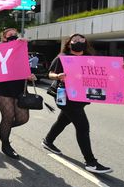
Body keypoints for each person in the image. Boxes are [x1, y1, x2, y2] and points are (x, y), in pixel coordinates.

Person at [42, 33, 117, 173]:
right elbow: (50, 74)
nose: (78, 42)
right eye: (75, 40)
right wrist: (58, 76)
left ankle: (48, 140)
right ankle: (91, 162)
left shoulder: (90, 59)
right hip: (66, 98)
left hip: (81, 98)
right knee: (83, 128)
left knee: (62, 121)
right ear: (69, 43)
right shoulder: (62, 58)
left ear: (86, 43)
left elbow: (106, 72)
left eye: (81, 40)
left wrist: (120, 69)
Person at [0, 28, 36, 160]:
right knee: (8, 115)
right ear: (4, 37)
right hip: (2, 87)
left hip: (19, 87)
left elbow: (25, 68)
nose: (14, 35)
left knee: (22, 118)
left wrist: (30, 75)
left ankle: (3, 127)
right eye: (10, 34)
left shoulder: (22, 50)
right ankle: (5, 143)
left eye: (16, 34)